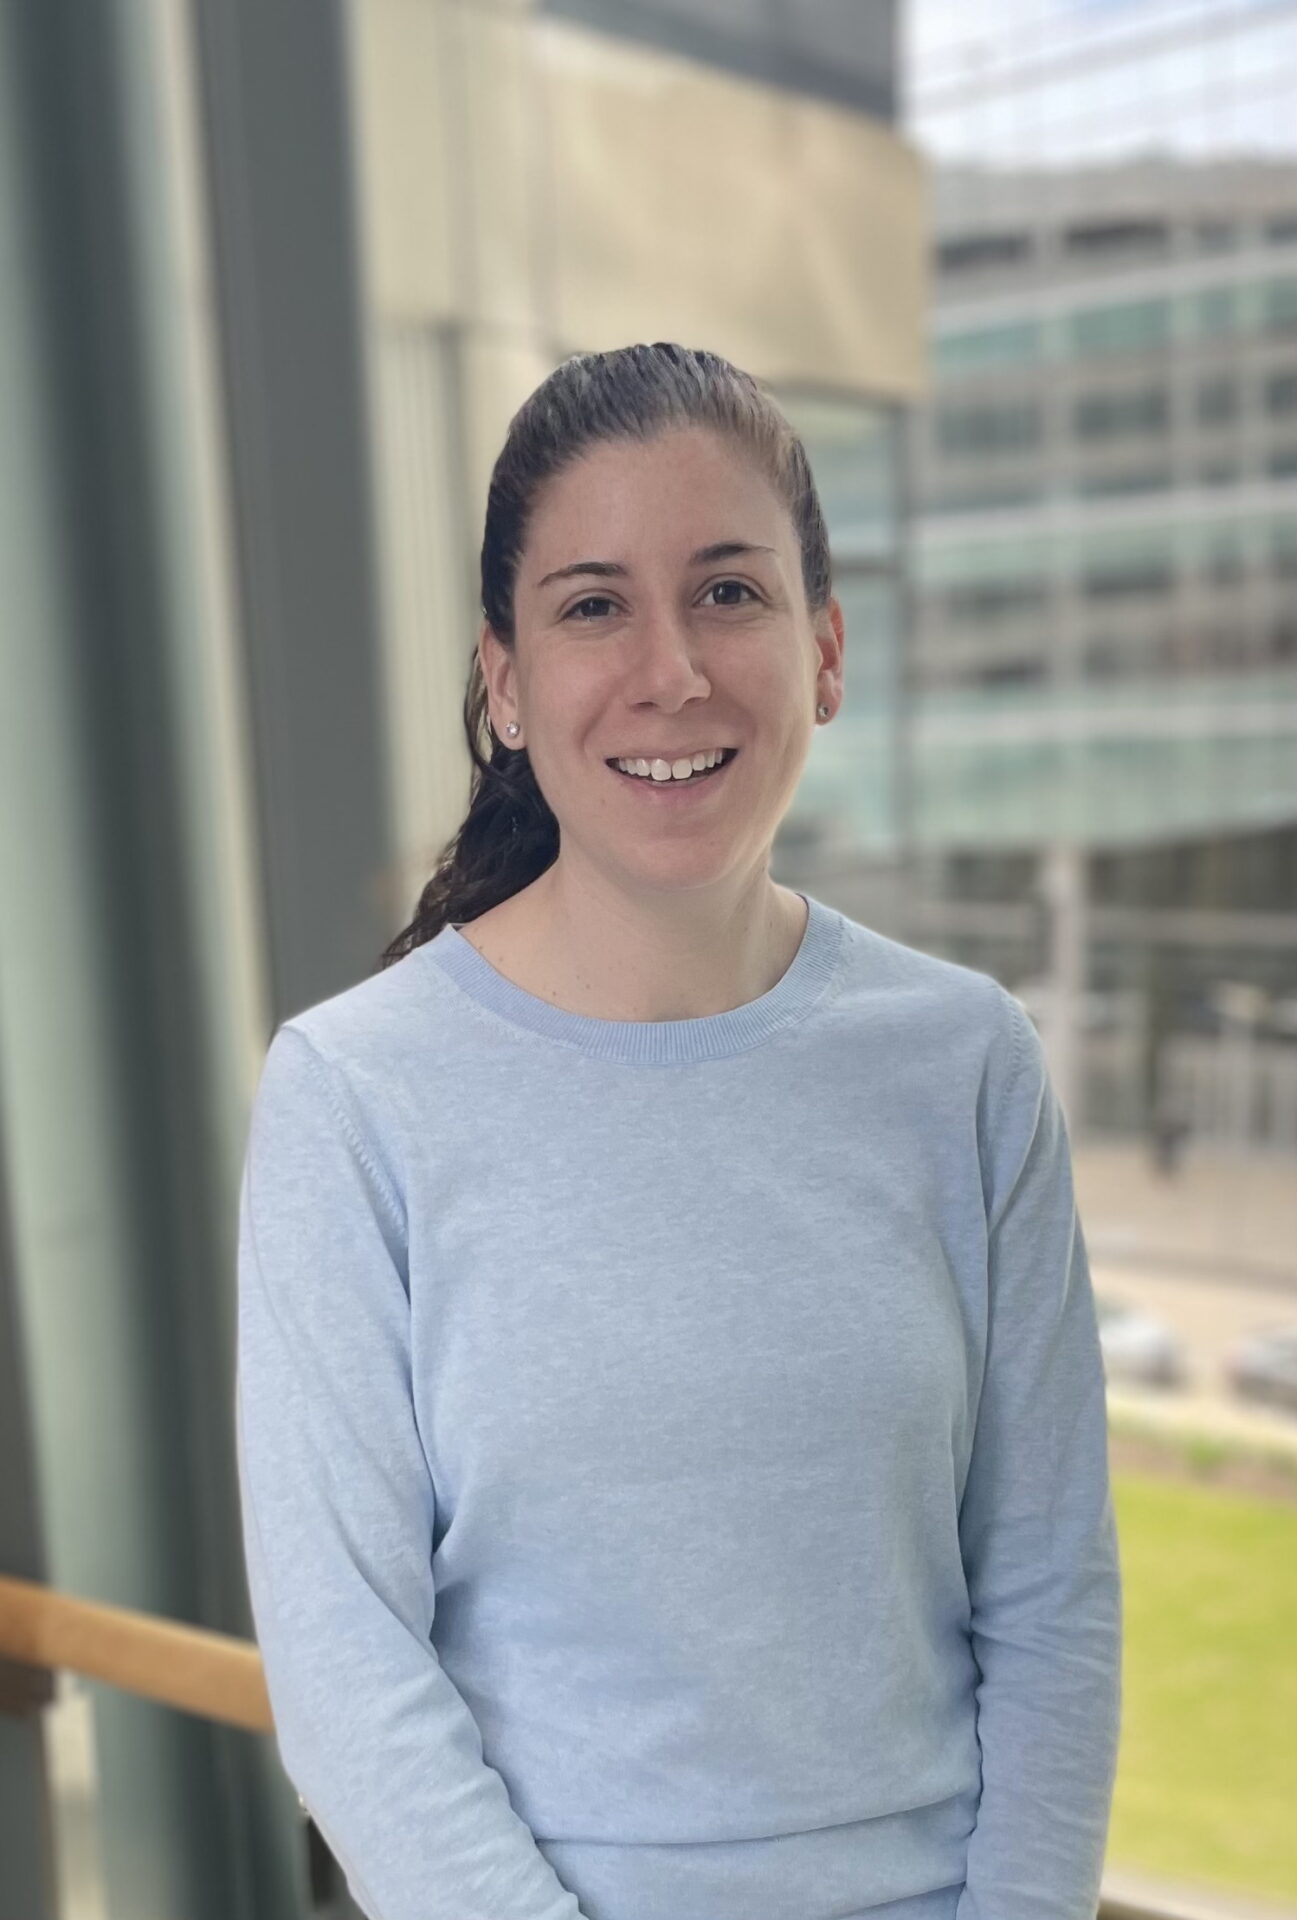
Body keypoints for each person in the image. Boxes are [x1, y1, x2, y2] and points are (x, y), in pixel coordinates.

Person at [235, 342, 1122, 1920]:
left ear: (826, 649)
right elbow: (344, 1661)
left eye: (728, 592)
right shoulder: (353, 1097)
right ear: (502, 681)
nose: (673, 671)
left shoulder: (965, 1062)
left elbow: (1051, 1599)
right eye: (593, 606)